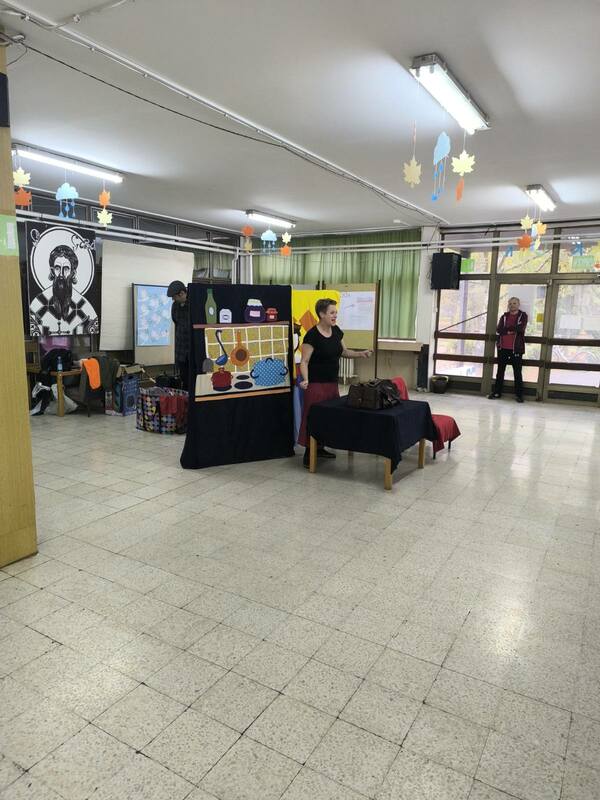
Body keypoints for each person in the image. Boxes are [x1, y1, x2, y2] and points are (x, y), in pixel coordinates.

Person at [298, 298, 372, 467]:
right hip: (315, 385)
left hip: (332, 383)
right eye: (332, 313)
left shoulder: (337, 331)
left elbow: (344, 351)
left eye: (336, 313)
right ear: (321, 314)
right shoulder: (312, 335)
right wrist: (306, 379)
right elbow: (304, 361)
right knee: (313, 418)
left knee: (329, 417)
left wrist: (361, 354)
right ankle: (309, 452)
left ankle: (321, 447)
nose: (335, 316)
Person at [30, 245, 99, 336]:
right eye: (57, 268)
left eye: (66, 269)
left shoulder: (85, 308)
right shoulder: (37, 305)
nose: (61, 275)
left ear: (73, 273)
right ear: (52, 271)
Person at [488, 296, 528, 403]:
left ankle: (519, 395)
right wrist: (510, 330)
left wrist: (507, 330)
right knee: (500, 371)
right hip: (502, 348)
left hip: (516, 349)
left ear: (518, 305)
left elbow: (520, 328)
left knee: (517, 372)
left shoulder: (523, 316)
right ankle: (497, 392)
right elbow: (499, 329)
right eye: (510, 303)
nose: (512, 305)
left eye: (514, 303)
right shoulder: (504, 316)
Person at [167, 280, 190, 391]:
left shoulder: (194, 304)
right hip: (181, 349)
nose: (173, 299)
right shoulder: (175, 306)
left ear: (182, 293)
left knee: (193, 379)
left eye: (174, 296)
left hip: (192, 349)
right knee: (184, 378)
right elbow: (175, 321)